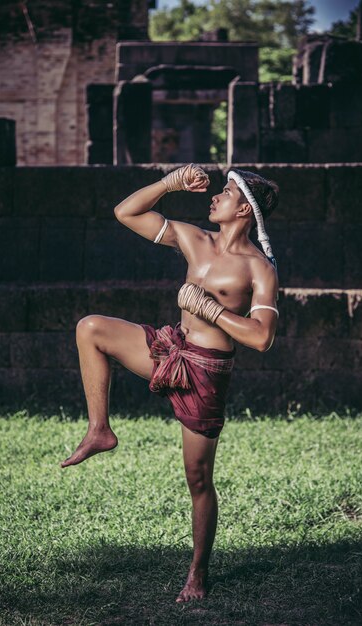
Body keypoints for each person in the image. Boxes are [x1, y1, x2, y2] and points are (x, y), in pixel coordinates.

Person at [60, 163, 280, 603]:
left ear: (244, 210)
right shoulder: (194, 239)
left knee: (198, 479)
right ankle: (100, 429)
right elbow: (126, 212)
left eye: (225, 193)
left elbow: (262, 338)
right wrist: (170, 182)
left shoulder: (258, 269)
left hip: (207, 371)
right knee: (91, 328)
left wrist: (212, 311)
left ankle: (197, 574)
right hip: (170, 348)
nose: (214, 198)